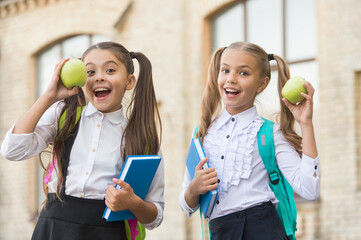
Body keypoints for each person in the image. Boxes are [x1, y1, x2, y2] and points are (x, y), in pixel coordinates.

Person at [1, 42, 164, 240]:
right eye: (90, 72)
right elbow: (12, 150)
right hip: (53, 230)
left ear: (130, 81)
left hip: (107, 233)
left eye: (110, 70)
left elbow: (154, 217)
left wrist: (133, 203)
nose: (99, 77)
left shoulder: (141, 137)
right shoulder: (63, 115)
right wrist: (49, 96)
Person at [179, 42, 320, 240]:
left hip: (263, 230)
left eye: (243, 73)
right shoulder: (203, 133)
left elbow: (309, 189)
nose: (231, 79)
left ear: (262, 84)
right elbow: (185, 205)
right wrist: (194, 189)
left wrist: (306, 124)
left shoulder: (270, 133)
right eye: (225, 70)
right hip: (221, 232)